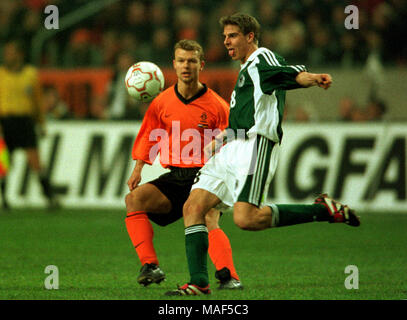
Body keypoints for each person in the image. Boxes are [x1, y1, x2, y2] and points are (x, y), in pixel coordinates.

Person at [166, 13, 360, 296]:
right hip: (232, 147)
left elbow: (289, 75)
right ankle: (199, 283)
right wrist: (214, 144)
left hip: (255, 147)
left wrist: (312, 79)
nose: (226, 41)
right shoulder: (246, 70)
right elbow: (239, 121)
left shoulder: (262, 59)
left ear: (250, 37)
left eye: (232, 36)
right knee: (193, 208)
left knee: (247, 219)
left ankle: (323, 211)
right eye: (224, 37)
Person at [124, 39, 242, 290]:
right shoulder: (161, 102)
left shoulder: (218, 106)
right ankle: (150, 266)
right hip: (177, 175)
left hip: (206, 174)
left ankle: (229, 276)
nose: (186, 66)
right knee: (134, 200)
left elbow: (233, 138)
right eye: (181, 61)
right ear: (174, 65)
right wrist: (138, 168)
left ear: (202, 64)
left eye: (191, 61)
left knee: (209, 217)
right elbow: (149, 135)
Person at [0, 39, 58, 209]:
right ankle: (3, 200)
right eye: (6, 52)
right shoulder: (1, 74)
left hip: (25, 122)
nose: (7, 55)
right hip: (5, 123)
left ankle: (49, 197)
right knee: (4, 163)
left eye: (10, 52)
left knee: (36, 162)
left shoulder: (30, 74)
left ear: (20, 54)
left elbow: (37, 101)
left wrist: (41, 124)